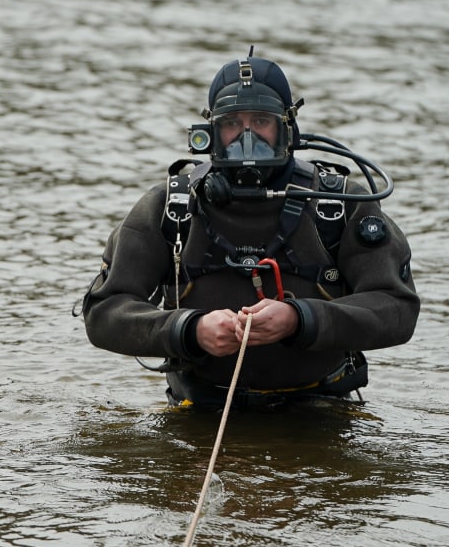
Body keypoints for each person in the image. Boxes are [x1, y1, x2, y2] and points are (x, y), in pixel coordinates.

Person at [80, 49, 419, 411]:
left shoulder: (339, 205)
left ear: (287, 130)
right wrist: (189, 330)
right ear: (211, 133)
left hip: (321, 406)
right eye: (232, 124)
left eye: (261, 122)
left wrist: (300, 319)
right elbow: (104, 314)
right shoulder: (171, 207)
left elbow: (396, 307)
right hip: (199, 408)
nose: (246, 137)